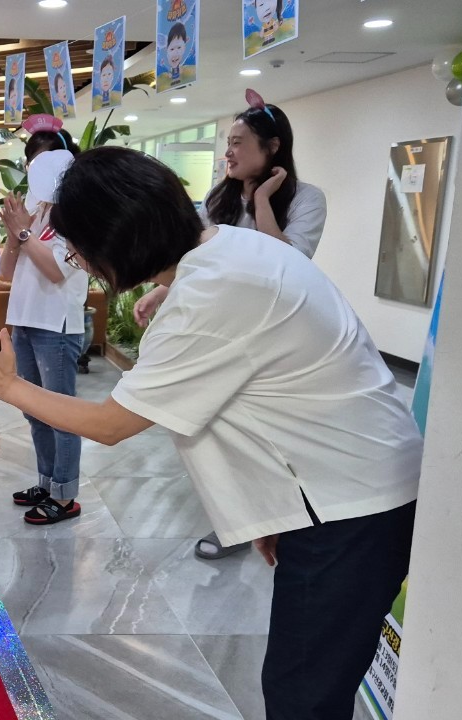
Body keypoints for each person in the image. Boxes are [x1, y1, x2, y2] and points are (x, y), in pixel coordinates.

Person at [0, 146, 418, 720]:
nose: (75, 258)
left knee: (303, 696)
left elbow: (112, 424)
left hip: (349, 505)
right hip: (341, 491)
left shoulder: (208, 293)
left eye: (78, 244)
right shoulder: (233, 249)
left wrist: (6, 385)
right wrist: (277, 511)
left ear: (119, 235)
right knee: (305, 681)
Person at [135, 96, 327, 560]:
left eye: (239, 142)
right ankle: (238, 522)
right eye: (228, 142)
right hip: (222, 329)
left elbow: (288, 263)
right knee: (224, 429)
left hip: (276, 333)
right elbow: (195, 259)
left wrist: (261, 201)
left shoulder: (306, 199)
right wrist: (161, 291)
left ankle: (282, 520)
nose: (229, 151)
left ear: (273, 147)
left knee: (269, 433)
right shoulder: (217, 199)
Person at [0, 129, 88, 524]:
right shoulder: (33, 207)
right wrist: (14, 234)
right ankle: (48, 483)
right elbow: (5, 272)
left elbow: (56, 271)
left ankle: (65, 496)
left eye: (44, 159)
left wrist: (22, 232)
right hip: (24, 319)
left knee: (61, 413)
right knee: (35, 411)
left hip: (57, 324)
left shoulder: (79, 212)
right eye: (32, 160)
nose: (36, 167)